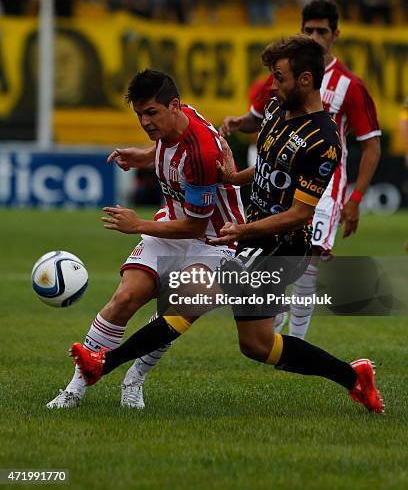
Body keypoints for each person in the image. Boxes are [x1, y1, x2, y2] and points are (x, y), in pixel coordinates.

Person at [70, 36, 384, 415]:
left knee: (189, 296)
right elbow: (270, 167)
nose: (272, 84)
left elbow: (301, 214)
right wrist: (236, 179)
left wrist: (243, 232)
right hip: (254, 236)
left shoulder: (324, 140)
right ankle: (355, 378)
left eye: (279, 77)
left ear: (304, 79)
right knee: (258, 345)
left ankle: (104, 363)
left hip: (281, 248)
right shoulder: (276, 109)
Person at [46, 69, 244, 409]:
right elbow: (166, 150)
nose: (145, 122)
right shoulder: (181, 120)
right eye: (139, 114)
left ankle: (133, 380)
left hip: (216, 241)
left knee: (171, 313)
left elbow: (196, 228)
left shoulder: (199, 153)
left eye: (151, 113)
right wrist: (143, 156)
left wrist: (137, 224)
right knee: (126, 296)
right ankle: (75, 387)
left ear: (174, 106)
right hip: (175, 223)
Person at [220, 0, 381, 339]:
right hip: (282, 174)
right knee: (277, 252)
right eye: (308, 29)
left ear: (335, 34)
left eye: (322, 30)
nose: (315, 35)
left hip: (327, 183)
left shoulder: (352, 86)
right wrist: (240, 121)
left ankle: (296, 339)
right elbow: (259, 118)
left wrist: (355, 198)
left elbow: (371, 145)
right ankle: (273, 327)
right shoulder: (286, 73)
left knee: (310, 259)